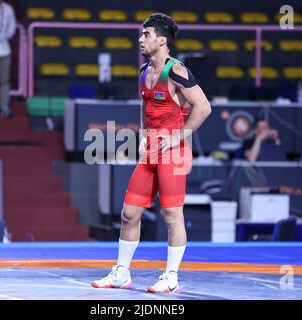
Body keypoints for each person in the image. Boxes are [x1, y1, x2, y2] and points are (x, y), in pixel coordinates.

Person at [91, 13, 211, 293]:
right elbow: (145, 107)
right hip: (151, 152)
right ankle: (121, 272)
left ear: (161, 40)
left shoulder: (177, 71)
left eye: (145, 35)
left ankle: (171, 276)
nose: (140, 39)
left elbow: (203, 107)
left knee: (172, 215)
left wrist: (176, 138)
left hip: (174, 152)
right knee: (129, 213)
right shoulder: (144, 71)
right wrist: (144, 136)